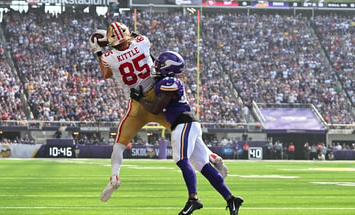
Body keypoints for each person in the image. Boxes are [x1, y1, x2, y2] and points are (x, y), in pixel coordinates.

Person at [89, 22, 227, 202]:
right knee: (183, 130)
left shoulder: (109, 56)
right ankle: (212, 156)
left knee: (119, 144)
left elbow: (106, 73)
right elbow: (143, 48)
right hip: (158, 97)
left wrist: (98, 51)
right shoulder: (142, 42)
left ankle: (114, 177)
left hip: (137, 103)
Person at [130, 51, 243, 215]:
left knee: (181, 159)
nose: (156, 66)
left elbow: (156, 109)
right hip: (188, 124)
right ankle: (231, 199)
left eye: (160, 64)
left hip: (184, 123)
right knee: (203, 166)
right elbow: (158, 69)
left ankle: (193, 199)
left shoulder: (169, 81)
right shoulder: (168, 79)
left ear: (168, 68)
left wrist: (140, 99)